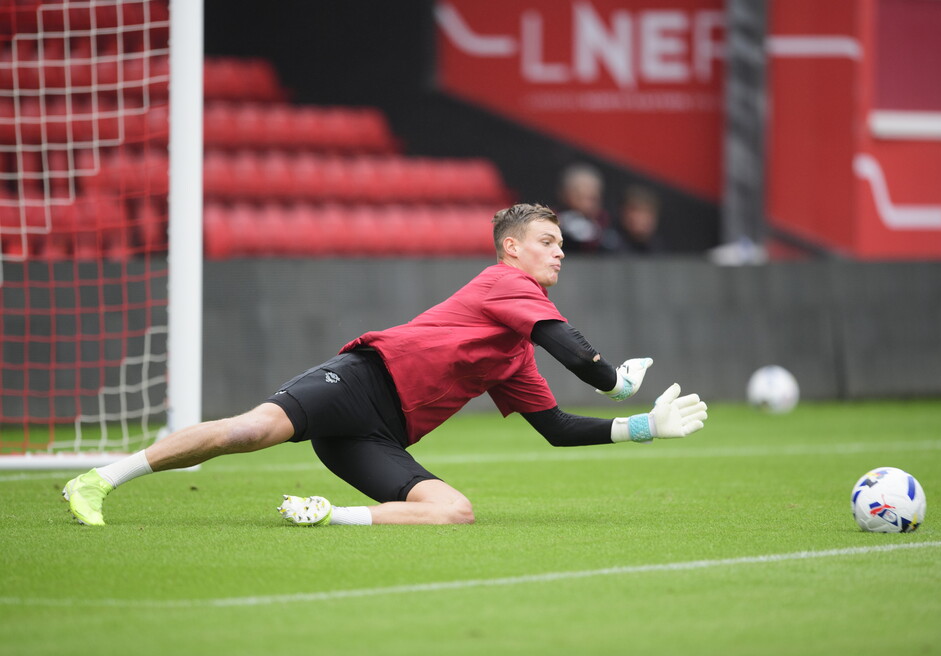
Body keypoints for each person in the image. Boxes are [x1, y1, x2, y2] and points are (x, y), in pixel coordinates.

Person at [62, 203, 708, 527]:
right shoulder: (505, 283)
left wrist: (645, 427)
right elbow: (574, 351)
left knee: (454, 512)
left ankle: (324, 515)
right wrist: (617, 382)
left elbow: (557, 429)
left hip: (380, 434)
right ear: (511, 249)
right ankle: (98, 480)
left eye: (562, 244)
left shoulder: (516, 353)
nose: (558, 252)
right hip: (359, 382)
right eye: (547, 241)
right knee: (247, 431)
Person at [555, 163, 615, 253]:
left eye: (592, 198)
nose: (588, 204)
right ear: (566, 195)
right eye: (581, 197)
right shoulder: (551, 223)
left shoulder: (608, 226)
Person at [613, 185, 666, 254]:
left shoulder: (659, 248)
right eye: (636, 211)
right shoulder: (608, 244)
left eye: (648, 212)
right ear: (623, 212)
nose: (642, 218)